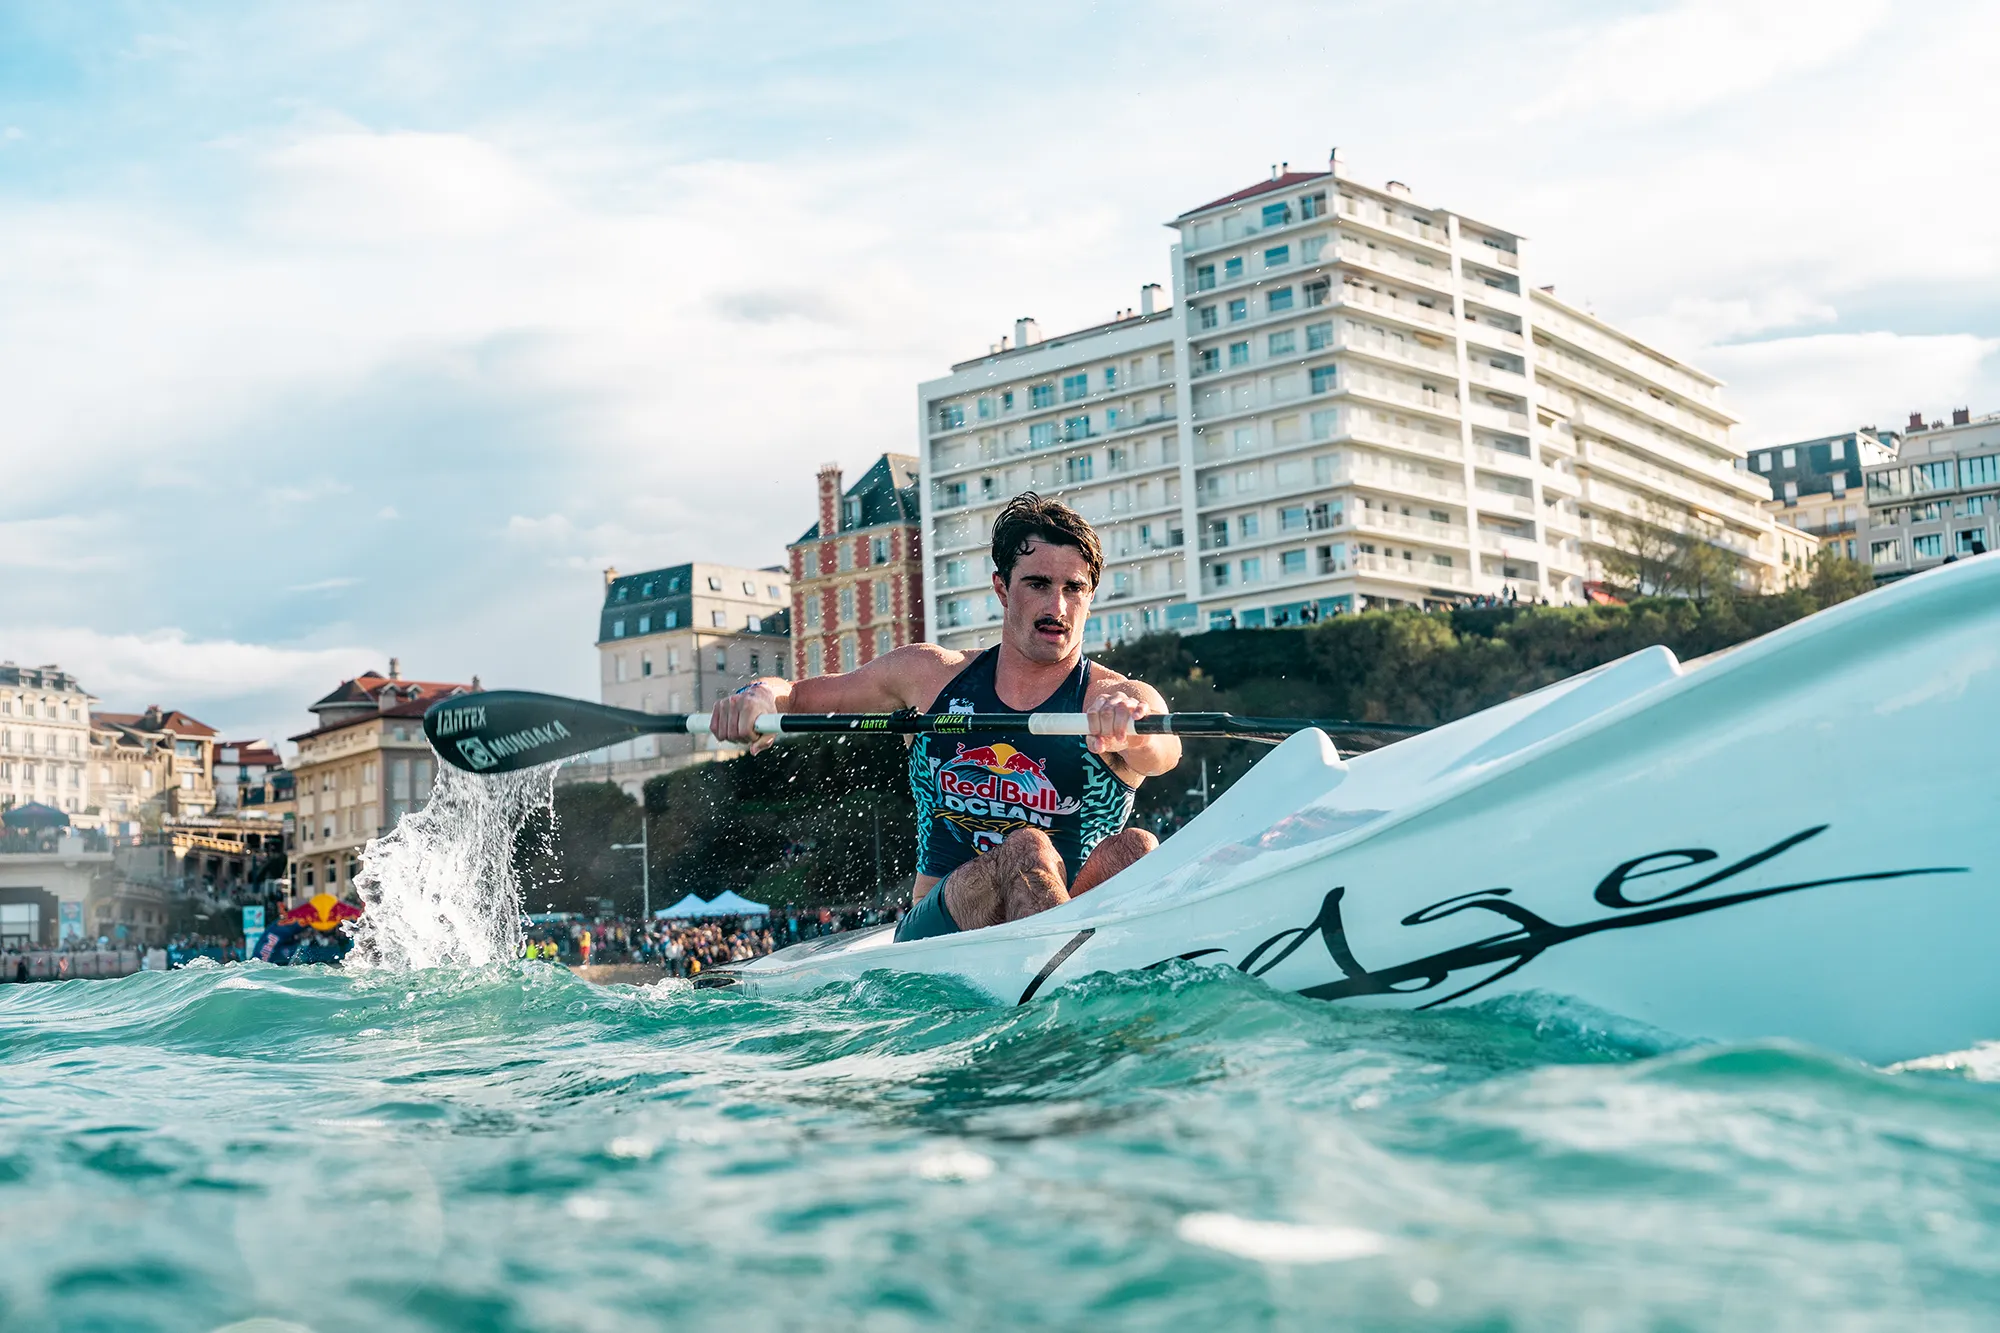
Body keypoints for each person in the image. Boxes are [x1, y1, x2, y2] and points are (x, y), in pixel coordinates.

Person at [711, 492, 1182, 941]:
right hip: (939, 929)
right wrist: (757, 696)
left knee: (1137, 847)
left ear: (1091, 596)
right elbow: (794, 697)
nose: (1056, 607)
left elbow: (1166, 750)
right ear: (1001, 588)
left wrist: (1133, 732)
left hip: (1071, 916)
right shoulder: (931, 676)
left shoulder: (1112, 696)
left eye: (1073, 589)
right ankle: (1056, 999)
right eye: (1037, 584)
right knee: (1027, 847)